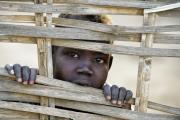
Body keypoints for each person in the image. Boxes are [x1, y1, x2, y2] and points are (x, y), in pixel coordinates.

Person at [5, 14, 133, 109]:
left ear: (109, 65)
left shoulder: (111, 105)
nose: (85, 69)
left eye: (98, 60)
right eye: (73, 55)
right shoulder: (31, 93)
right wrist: (15, 84)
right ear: (49, 56)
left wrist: (123, 110)